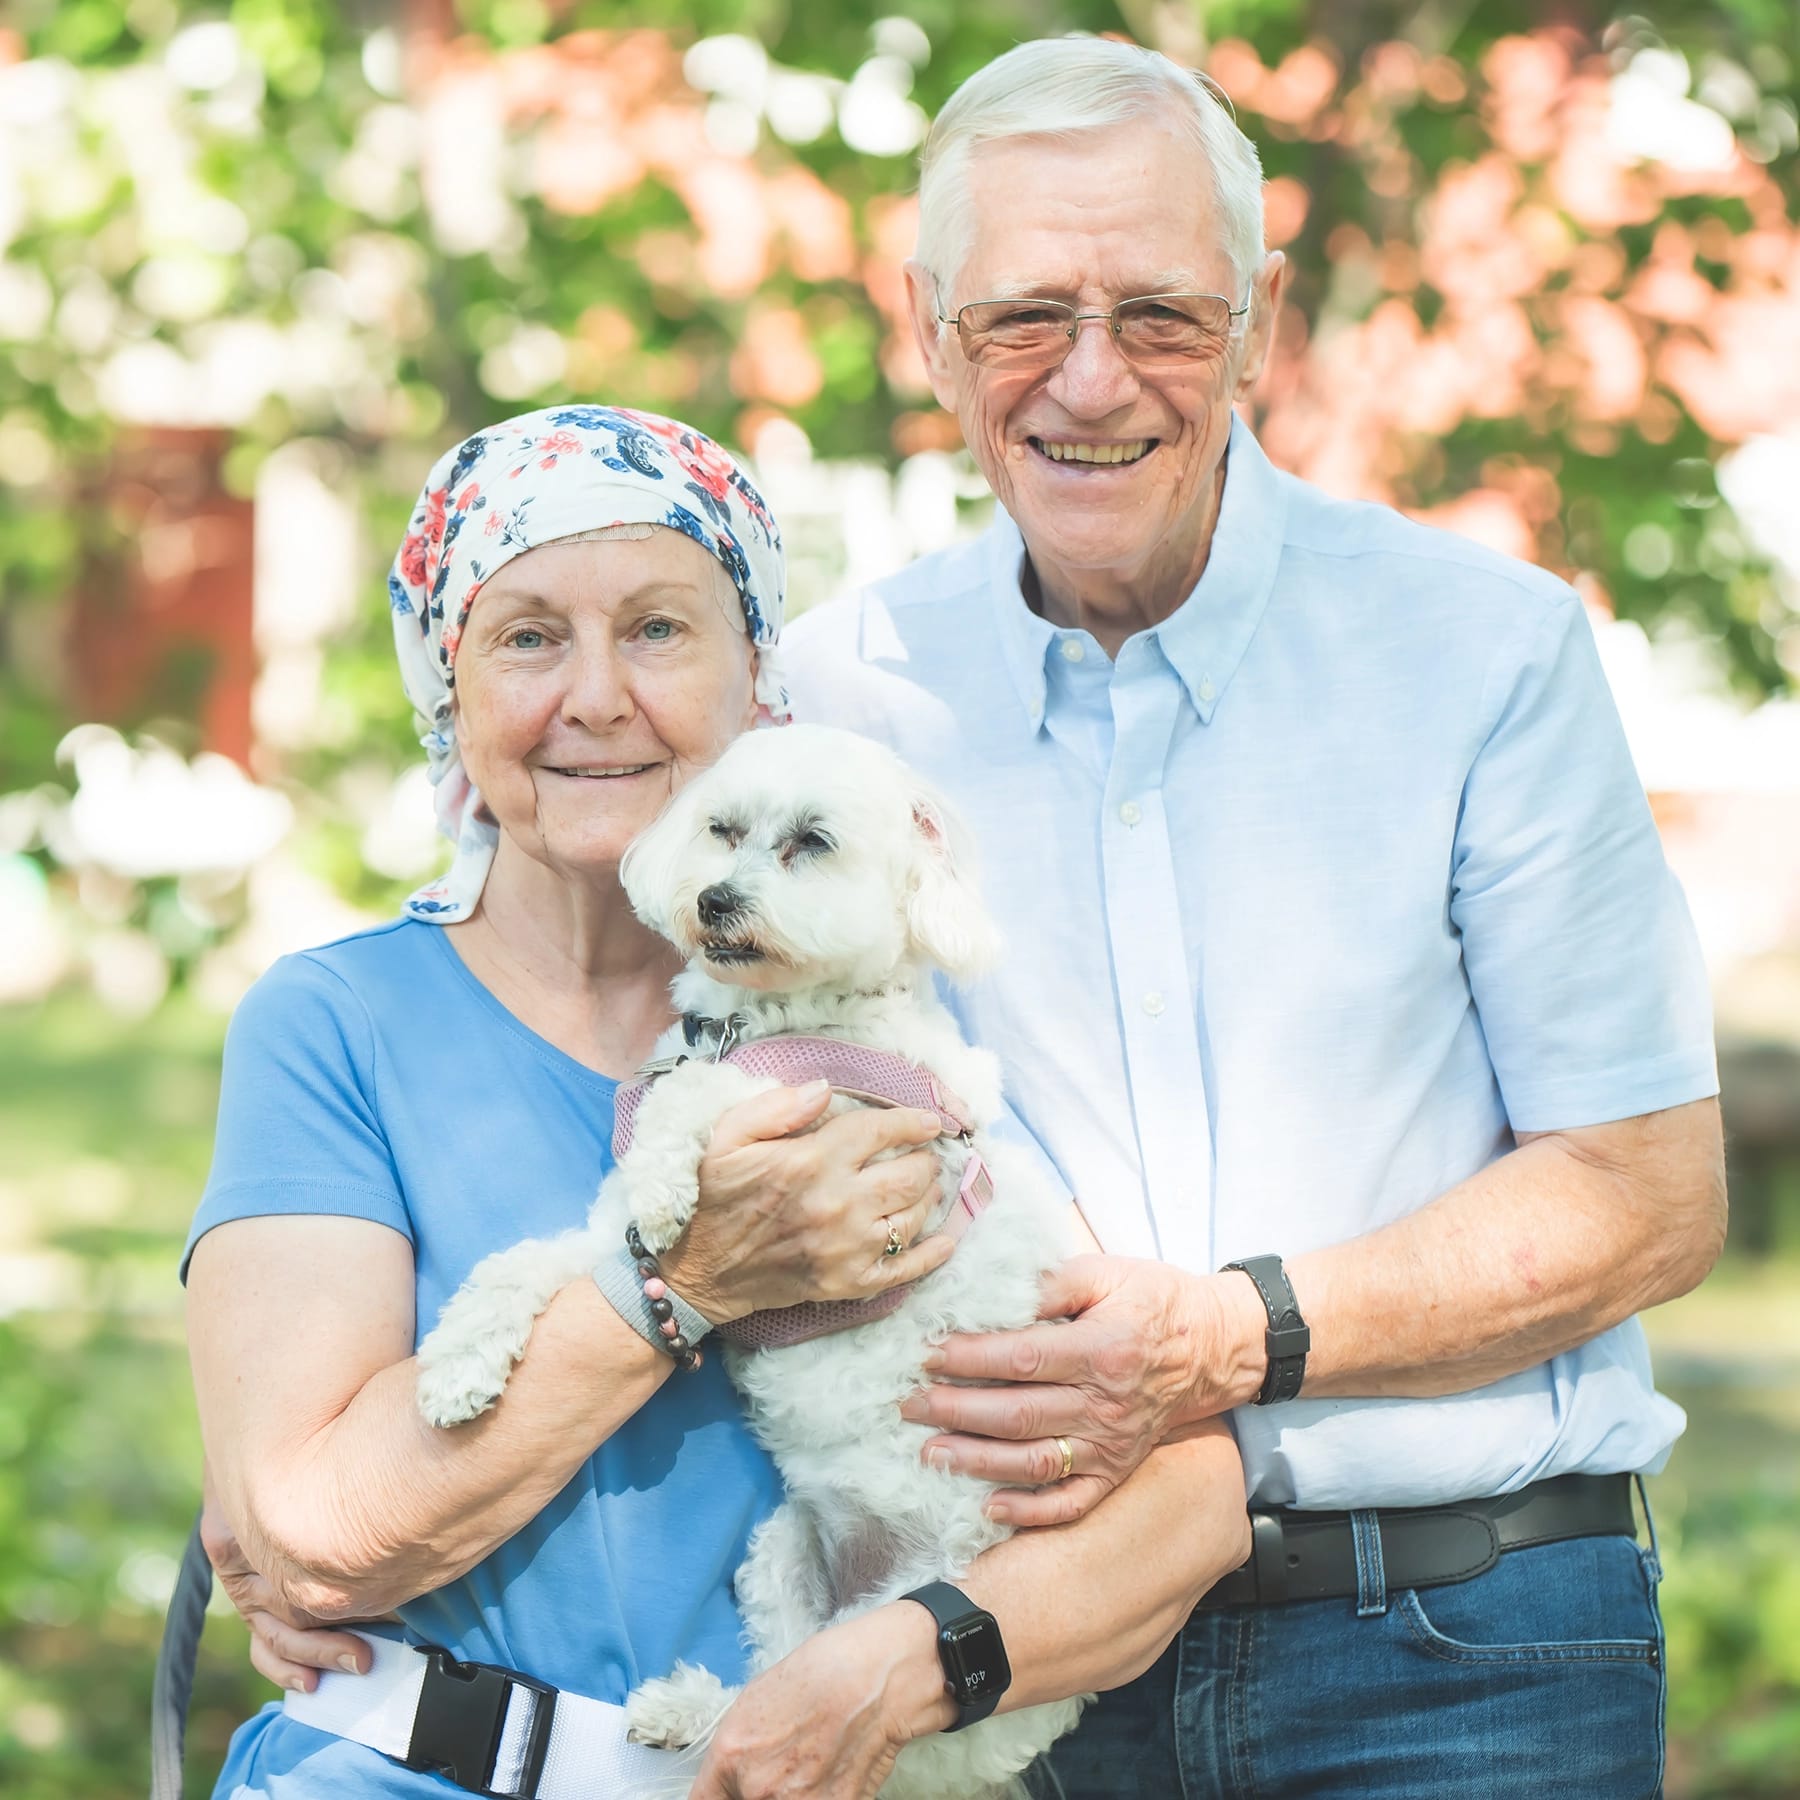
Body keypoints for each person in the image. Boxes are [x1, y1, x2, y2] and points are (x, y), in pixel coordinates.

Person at [774, 36, 1727, 1799]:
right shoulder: (843, 692)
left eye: (1158, 315)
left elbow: (1646, 1195)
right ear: (930, 332)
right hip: (1023, 1654)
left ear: (1259, 325)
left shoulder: (1485, 655)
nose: (1089, 379)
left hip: (1466, 1645)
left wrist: (1230, 1336)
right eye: (1021, 320)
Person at [184, 402, 1252, 1800]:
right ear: (445, 682)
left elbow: (1191, 1493)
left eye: (659, 628)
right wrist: (671, 1282)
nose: (597, 696)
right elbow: (313, 1529)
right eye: (526, 636)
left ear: (760, 675)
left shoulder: (895, 1024)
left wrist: (922, 1659)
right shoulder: (335, 1027)